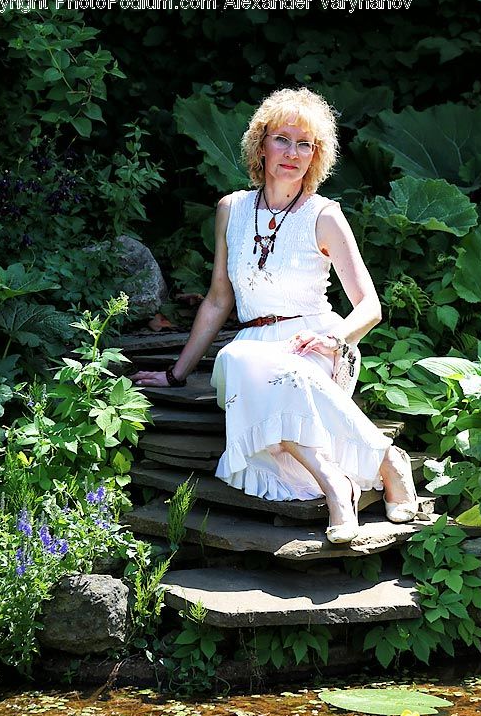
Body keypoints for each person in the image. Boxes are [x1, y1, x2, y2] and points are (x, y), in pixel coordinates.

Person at [131, 87, 418, 544]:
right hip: (252, 344)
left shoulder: (324, 215)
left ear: (316, 156)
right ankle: (372, 464)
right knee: (243, 362)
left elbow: (369, 306)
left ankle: (339, 493)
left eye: (305, 144)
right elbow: (218, 300)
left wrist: (338, 340)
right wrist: (176, 372)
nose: (292, 153)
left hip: (315, 342)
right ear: (261, 144)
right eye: (283, 139)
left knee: (266, 373)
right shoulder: (232, 210)